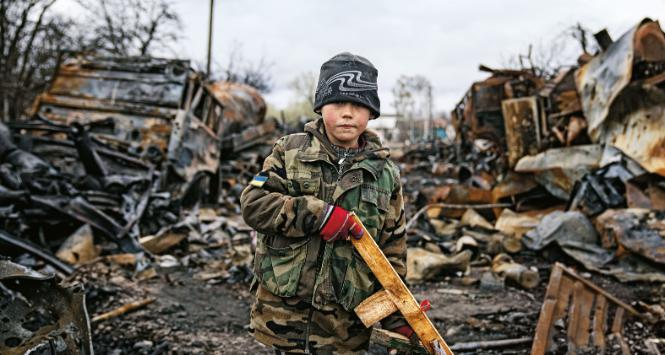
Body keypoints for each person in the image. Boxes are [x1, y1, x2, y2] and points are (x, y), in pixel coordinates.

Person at [240, 52, 411, 354]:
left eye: (358, 105)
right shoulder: (289, 151)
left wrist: (397, 316)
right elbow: (254, 203)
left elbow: (391, 252)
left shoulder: (385, 175)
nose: (348, 113)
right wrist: (316, 215)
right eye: (338, 104)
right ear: (321, 107)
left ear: (371, 112)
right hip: (283, 319)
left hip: (344, 329)